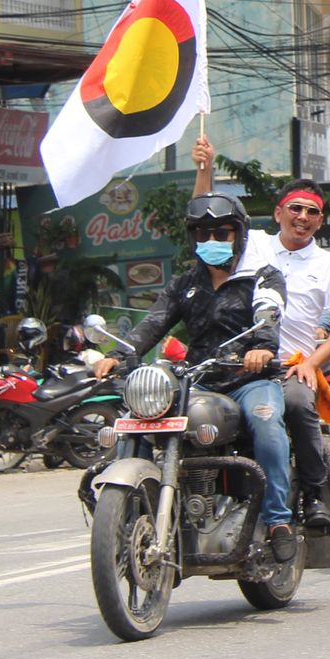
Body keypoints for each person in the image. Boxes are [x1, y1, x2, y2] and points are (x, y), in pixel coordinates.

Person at [93, 195, 297, 559]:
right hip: (199, 380)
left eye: (222, 233)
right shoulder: (185, 283)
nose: (213, 241)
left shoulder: (263, 275)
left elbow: (270, 310)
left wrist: (262, 347)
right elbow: (154, 322)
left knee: (266, 424)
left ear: (239, 235)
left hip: (249, 378)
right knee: (143, 420)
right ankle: (135, 509)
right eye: (204, 234)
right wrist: (118, 353)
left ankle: (278, 519)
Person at [229, 174, 330, 531]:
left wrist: (312, 364)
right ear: (278, 213)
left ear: (320, 220)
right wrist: (204, 169)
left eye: (311, 212)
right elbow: (207, 220)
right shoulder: (253, 244)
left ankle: (314, 494)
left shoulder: (328, 263)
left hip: (291, 366)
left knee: (299, 404)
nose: (302, 217)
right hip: (239, 363)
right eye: (295, 209)